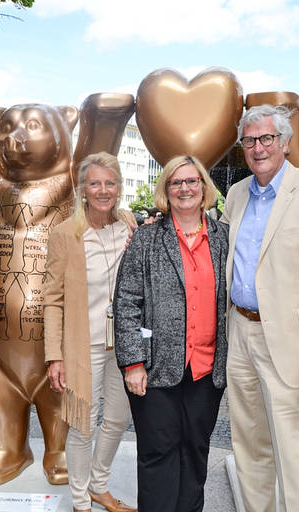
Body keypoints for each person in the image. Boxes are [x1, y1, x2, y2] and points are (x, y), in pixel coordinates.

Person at [221, 105, 299, 511]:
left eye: (267, 139)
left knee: (294, 452)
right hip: (240, 335)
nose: (258, 148)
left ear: (286, 143)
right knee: (249, 444)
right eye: (250, 140)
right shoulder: (237, 194)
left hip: (291, 343)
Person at [114, 155, 228, 512]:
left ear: (204, 187)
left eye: (192, 181)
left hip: (206, 370)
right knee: (158, 452)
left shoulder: (224, 237)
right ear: (166, 190)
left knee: (195, 451)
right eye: (176, 182)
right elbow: (126, 302)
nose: (185, 189)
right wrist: (133, 362)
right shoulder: (146, 239)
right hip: (154, 368)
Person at [45, 152, 137, 512]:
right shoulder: (65, 234)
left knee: (118, 418)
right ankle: (81, 501)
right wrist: (55, 355)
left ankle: (100, 486)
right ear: (83, 189)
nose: (103, 190)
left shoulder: (128, 223)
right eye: (95, 183)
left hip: (126, 344)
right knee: (82, 423)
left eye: (110, 182)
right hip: (83, 346)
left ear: (119, 187)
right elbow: (52, 299)